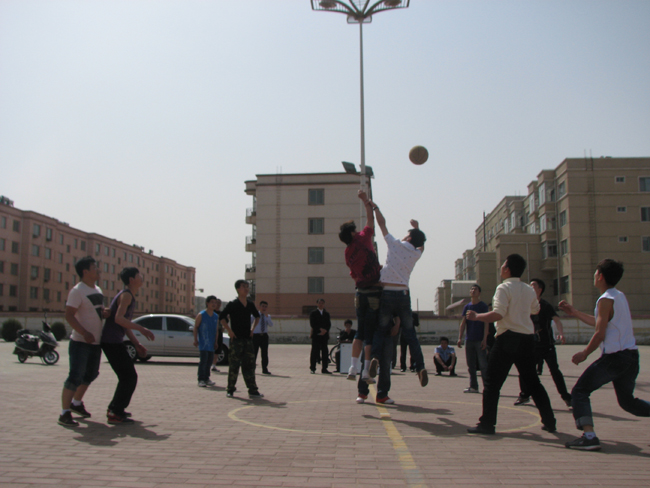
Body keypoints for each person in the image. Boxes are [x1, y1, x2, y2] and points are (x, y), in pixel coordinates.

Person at [559, 259, 650, 451]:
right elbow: (601, 322)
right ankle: (589, 436)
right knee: (627, 402)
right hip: (631, 357)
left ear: (600, 276)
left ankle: (589, 436)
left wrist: (585, 353)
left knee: (580, 391)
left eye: (595, 273)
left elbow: (600, 333)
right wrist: (574, 312)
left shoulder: (605, 299)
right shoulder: (618, 296)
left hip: (615, 358)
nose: (594, 276)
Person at [466, 253, 556, 435]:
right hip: (527, 340)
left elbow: (498, 314)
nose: (501, 268)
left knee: (492, 383)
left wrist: (477, 317)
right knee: (533, 382)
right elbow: (535, 310)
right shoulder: (528, 289)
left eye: (503, 265)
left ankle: (487, 424)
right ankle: (550, 421)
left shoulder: (503, 288)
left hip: (507, 338)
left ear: (507, 269)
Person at [368, 204, 428, 388]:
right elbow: (421, 247)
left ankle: (375, 358)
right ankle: (420, 367)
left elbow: (382, 224)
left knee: (381, 328)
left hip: (387, 293)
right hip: (403, 294)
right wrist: (417, 230)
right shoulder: (416, 254)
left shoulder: (394, 244)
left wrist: (375, 208)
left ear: (408, 237)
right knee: (410, 334)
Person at [100, 267, 155, 423]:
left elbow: (124, 324)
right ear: (131, 280)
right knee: (129, 377)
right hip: (111, 341)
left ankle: (116, 408)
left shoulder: (129, 296)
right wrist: (141, 329)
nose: (142, 277)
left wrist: (136, 343)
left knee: (127, 377)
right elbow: (118, 319)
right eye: (139, 275)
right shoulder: (126, 296)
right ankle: (115, 411)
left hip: (114, 341)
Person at [339, 190, 383, 382]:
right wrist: (366, 202)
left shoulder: (347, 252)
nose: (357, 231)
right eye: (354, 229)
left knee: (360, 331)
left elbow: (353, 275)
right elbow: (371, 221)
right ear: (352, 233)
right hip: (374, 292)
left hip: (360, 293)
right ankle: (366, 371)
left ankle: (352, 367)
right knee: (370, 334)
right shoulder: (363, 238)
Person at [58, 256, 105, 426]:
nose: (98, 270)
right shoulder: (77, 291)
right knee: (75, 376)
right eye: (95, 267)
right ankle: (64, 413)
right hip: (80, 343)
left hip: (95, 343)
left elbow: (95, 311)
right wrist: (84, 332)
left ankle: (76, 403)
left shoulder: (97, 290)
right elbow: (69, 315)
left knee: (91, 374)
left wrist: (104, 312)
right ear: (85, 271)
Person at [514, 278, 571, 407]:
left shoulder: (545, 306)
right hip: (531, 345)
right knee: (525, 371)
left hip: (547, 345)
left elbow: (557, 320)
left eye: (533, 286)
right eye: (529, 285)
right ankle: (524, 395)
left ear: (540, 290)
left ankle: (566, 397)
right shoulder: (525, 305)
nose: (530, 288)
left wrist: (561, 334)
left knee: (555, 371)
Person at [220, 280, 263, 399]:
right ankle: (230, 389)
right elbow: (222, 317)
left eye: (247, 286)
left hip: (248, 340)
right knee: (234, 365)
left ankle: (253, 390)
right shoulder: (233, 304)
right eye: (244, 286)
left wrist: (252, 329)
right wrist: (229, 330)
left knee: (249, 365)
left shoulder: (250, 304)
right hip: (236, 339)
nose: (247, 289)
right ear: (238, 289)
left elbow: (257, 316)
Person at [457, 284, 489, 393]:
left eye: (475, 289)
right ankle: (474, 386)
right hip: (469, 339)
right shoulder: (467, 307)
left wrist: (485, 339)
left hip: (479, 339)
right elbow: (463, 323)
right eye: (472, 289)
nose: (473, 291)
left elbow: (486, 323)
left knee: (483, 365)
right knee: (470, 365)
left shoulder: (483, 306)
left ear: (479, 293)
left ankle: (487, 387)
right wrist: (460, 337)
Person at [194, 295, 220, 387]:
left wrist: (216, 342)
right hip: (203, 343)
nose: (214, 304)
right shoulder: (201, 315)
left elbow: (216, 330)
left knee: (209, 361)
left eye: (215, 302)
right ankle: (201, 379)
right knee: (203, 361)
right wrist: (195, 339)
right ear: (207, 303)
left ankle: (207, 378)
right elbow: (196, 327)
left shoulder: (216, 316)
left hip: (211, 343)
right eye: (212, 302)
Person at [309, 298, 332, 374]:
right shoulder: (313, 313)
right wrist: (319, 329)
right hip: (316, 335)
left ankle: (324, 368)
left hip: (324, 336)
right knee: (314, 352)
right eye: (319, 303)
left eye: (322, 303)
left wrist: (325, 330)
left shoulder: (326, 314)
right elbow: (312, 324)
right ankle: (313, 368)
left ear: (324, 304)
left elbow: (328, 324)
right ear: (317, 304)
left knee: (325, 352)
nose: (321, 304)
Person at [252, 300, 273, 375]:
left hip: (264, 336)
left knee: (264, 353)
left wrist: (267, 317)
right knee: (254, 353)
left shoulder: (268, 316)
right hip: (256, 336)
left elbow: (271, 325)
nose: (264, 308)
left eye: (265, 306)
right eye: (263, 306)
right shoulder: (255, 315)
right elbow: (249, 323)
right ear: (259, 306)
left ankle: (265, 368)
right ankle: (252, 369)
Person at [211, 298, 223, 372]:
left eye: (219, 303)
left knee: (217, 349)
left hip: (219, 332)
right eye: (216, 303)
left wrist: (224, 327)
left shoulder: (222, 313)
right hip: (212, 332)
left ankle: (214, 365)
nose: (218, 305)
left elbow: (225, 321)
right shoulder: (212, 312)